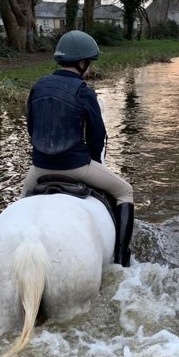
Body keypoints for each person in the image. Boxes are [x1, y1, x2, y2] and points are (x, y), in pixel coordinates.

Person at [21, 30, 134, 267]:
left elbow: (32, 128)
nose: (90, 68)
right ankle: (123, 263)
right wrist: (93, 161)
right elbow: (97, 135)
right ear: (82, 63)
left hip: (39, 169)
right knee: (125, 191)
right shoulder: (84, 91)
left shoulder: (38, 86)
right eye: (89, 63)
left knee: (20, 207)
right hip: (76, 167)